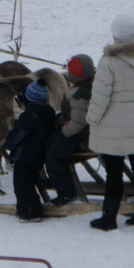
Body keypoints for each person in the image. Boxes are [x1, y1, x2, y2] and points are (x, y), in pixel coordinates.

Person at [86, 15, 134, 231]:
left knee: (113, 173)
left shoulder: (108, 62)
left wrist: (92, 119)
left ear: (115, 35)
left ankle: (109, 218)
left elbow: (100, 98)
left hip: (111, 128)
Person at [2, 79, 56, 222]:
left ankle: (30, 212)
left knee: (22, 185)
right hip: (38, 155)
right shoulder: (48, 113)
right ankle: (27, 209)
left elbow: (19, 134)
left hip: (26, 156)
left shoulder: (29, 116)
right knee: (28, 183)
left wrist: (8, 143)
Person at [45, 54, 95, 206]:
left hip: (78, 133)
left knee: (54, 156)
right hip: (81, 129)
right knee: (49, 144)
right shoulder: (93, 86)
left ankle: (67, 194)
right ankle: (55, 180)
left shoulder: (79, 95)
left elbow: (79, 122)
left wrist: (64, 133)